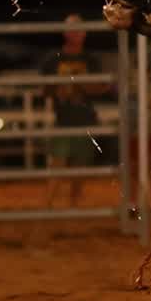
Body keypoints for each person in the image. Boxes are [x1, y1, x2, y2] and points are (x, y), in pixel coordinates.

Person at [43, 14, 108, 206]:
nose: (76, 33)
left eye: (79, 28)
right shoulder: (53, 59)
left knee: (81, 167)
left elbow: (101, 88)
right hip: (63, 119)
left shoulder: (91, 59)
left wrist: (82, 85)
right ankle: (49, 206)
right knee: (58, 164)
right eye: (72, 28)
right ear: (65, 32)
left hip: (85, 119)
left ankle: (74, 206)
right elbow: (44, 90)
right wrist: (62, 87)